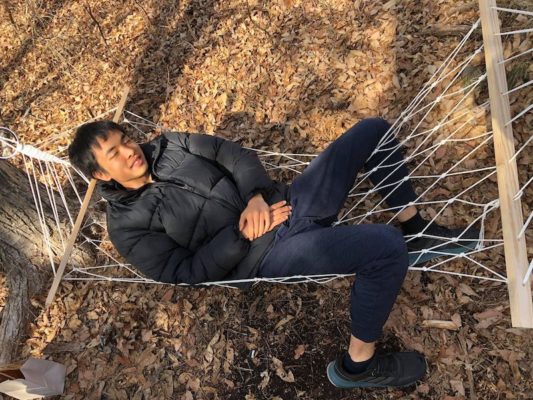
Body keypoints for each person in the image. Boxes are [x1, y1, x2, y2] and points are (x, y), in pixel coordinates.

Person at [68, 118, 479, 389]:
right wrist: (242, 233)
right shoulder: (126, 227)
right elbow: (184, 271)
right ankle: (358, 368)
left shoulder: (169, 145)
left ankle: (418, 230)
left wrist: (255, 197)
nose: (129, 151)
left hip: (285, 203)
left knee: (372, 131)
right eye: (114, 153)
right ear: (102, 174)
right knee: (386, 249)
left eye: (125, 140)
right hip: (264, 257)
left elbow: (234, 155)